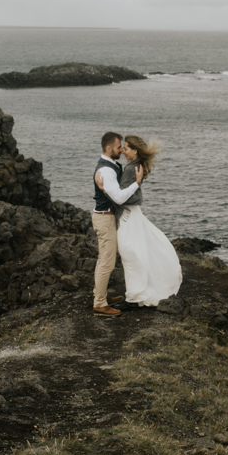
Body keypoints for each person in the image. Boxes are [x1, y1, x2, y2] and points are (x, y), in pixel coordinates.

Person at [114, 134, 182, 307]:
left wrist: (104, 189)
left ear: (135, 151)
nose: (122, 150)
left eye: (126, 148)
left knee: (130, 254)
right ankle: (137, 292)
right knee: (135, 251)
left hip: (129, 214)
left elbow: (121, 197)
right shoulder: (134, 165)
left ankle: (135, 296)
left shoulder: (131, 169)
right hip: (133, 213)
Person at [91, 131, 137, 316]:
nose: (121, 149)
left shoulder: (111, 166)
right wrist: (137, 183)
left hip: (105, 217)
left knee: (104, 260)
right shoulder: (106, 170)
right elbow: (118, 198)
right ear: (109, 148)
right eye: (119, 147)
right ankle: (100, 304)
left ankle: (100, 296)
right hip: (105, 218)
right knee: (107, 263)